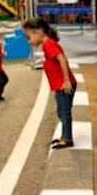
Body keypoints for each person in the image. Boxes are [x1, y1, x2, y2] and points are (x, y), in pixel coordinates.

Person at [23, 17, 77, 149]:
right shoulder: (48, 44)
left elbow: (62, 59)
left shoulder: (49, 44)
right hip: (60, 84)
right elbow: (62, 59)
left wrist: (66, 80)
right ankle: (65, 136)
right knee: (61, 111)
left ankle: (68, 139)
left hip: (63, 85)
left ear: (38, 32)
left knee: (64, 112)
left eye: (29, 37)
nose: (29, 41)